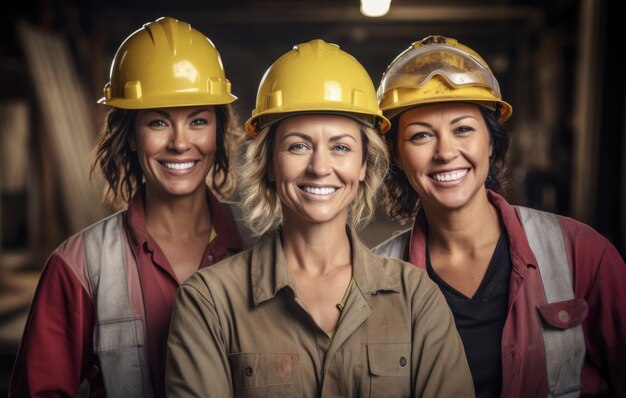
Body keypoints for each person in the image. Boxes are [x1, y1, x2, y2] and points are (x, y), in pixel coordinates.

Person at [165, 39, 474, 397]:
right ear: (269, 163)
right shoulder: (208, 302)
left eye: (340, 147)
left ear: (363, 166)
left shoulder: (415, 298)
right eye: (298, 145)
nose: (319, 167)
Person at [373, 35, 626, 397]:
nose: (446, 152)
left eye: (463, 129)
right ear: (397, 155)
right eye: (421, 136)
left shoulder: (580, 252)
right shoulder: (375, 277)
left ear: (490, 143)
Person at [9, 16, 248, 397]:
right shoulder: (78, 266)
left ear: (218, 133)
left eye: (198, 121)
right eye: (158, 122)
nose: (180, 143)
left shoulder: (265, 241)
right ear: (132, 136)